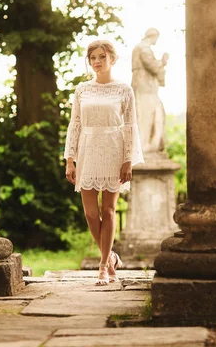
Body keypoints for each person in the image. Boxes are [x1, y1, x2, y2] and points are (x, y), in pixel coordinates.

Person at [64, 40, 144, 285]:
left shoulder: (123, 89)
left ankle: (103, 266)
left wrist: (127, 160)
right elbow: (75, 124)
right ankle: (111, 257)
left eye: (101, 57)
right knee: (90, 213)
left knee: (108, 210)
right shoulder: (82, 90)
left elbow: (130, 125)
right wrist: (70, 160)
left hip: (113, 149)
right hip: (88, 149)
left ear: (112, 59)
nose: (96, 62)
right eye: (92, 58)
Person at [131, 28, 169, 155]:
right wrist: (162, 62)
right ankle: (146, 145)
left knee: (147, 113)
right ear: (153, 36)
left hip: (143, 85)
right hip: (145, 86)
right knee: (147, 114)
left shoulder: (140, 47)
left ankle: (150, 144)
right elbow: (152, 65)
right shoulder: (144, 48)